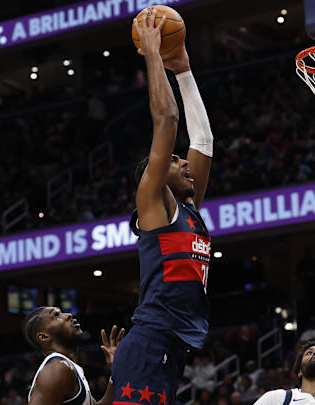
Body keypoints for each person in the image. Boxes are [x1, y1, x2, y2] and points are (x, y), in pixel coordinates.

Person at [112, 7, 215, 405]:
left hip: (170, 347)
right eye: (174, 160)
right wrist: (154, 54)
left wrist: (185, 72)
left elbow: (203, 142)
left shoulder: (188, 211)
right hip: (151, 342)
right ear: (154, 174)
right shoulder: (154, 203)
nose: (185, 161)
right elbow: (167, 120)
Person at [23, 306, 123, 405]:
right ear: (44, 336)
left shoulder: (69, 367)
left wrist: (116, 371)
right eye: (56, 316)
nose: (68, 315)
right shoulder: (58, 368)